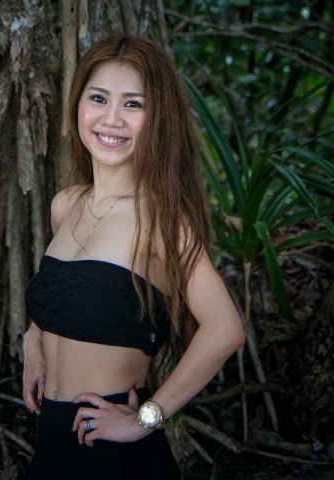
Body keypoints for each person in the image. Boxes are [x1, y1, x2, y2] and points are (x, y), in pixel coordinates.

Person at [22, 34, 245, 479]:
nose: (111, 119)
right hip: (51, 439)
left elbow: (225, 329)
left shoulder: (162, 220)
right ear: (78, 104)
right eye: (98, 98)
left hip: (113, 453)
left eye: (132, 104)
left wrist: (146, 418)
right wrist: (34, 336)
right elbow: (67, 293)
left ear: (158, 117)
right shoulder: (66, 205)